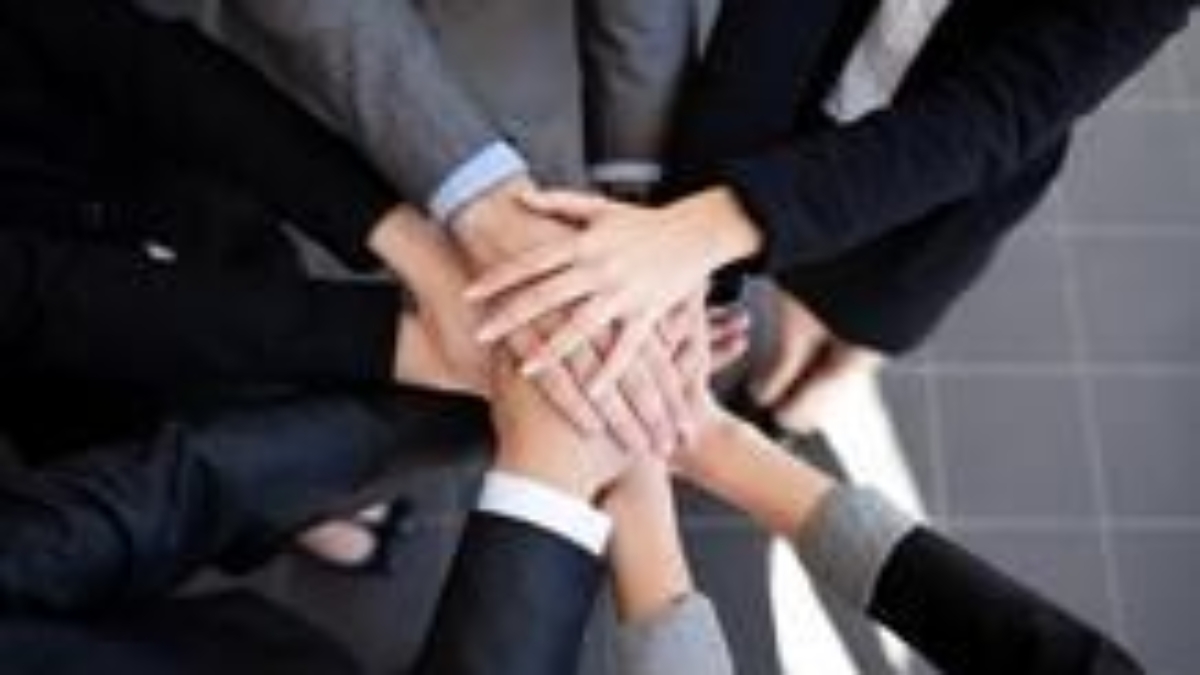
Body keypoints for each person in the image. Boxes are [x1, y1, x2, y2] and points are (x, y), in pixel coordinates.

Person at [461, 0, 1197, 431]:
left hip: (944, 178)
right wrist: (698, 232)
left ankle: (830, 370)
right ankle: (790, 354)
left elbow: (994, 115)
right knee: (795, 275)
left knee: (875, 304)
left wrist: (705, 232)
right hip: (816, 91)